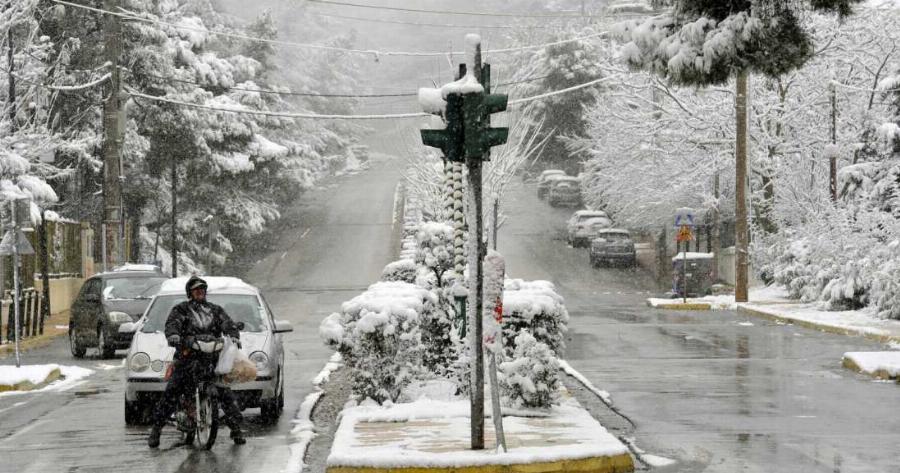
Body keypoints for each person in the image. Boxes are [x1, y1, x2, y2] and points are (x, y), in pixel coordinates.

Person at [148, 276, 246, 448]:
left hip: (211, 360)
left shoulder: (215, 310)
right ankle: (156, 429)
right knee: (172, 391)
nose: (200, 292)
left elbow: (227, 324)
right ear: (190, 293)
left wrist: (233, 335)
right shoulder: (181, 310)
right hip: (187, 359)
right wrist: (174, 335)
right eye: (196, 289)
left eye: (202, 289)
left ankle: (236, 429)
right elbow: (172, 324)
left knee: (225, 392)